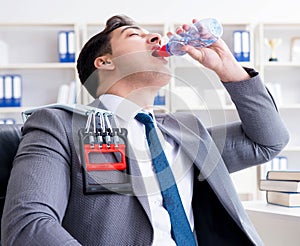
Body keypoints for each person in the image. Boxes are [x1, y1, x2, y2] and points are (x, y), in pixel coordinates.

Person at [1, 14, 289, 246]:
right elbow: (29, 226)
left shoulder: (187, 132)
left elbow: (268, 141)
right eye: (135, 35)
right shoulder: (59, 124)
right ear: (105, 62)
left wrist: (230, 70)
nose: (156, 37)